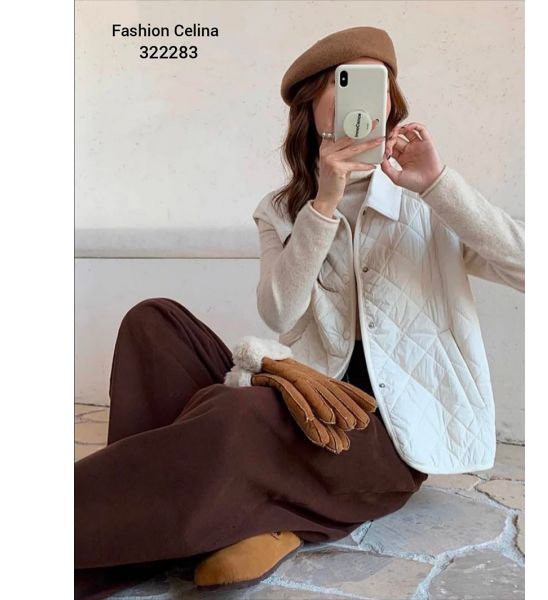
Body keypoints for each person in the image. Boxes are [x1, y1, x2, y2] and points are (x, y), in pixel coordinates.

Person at [74, 26, 524, 599]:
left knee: (236, 415)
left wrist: (436, 184)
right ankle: (207, 501)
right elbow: (281, 313)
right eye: (346, 82)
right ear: (311, 107)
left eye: (379, 86)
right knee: (153, 322)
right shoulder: (282, 210)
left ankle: (121, 517)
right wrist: (324, 205)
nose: (366, 100)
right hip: (303, 404)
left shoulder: (429, 201)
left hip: (380, 442)